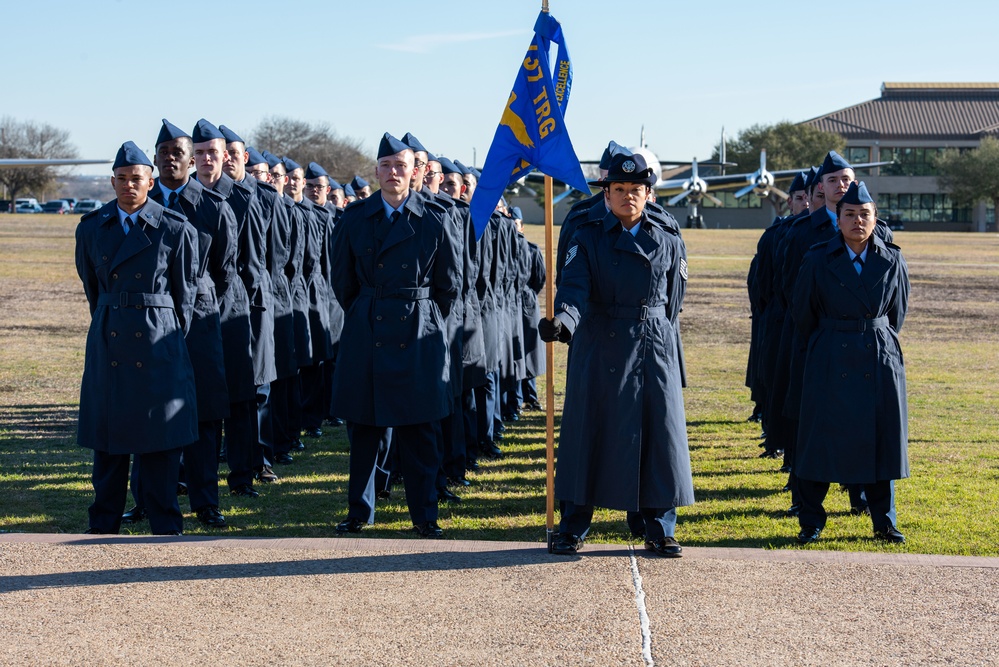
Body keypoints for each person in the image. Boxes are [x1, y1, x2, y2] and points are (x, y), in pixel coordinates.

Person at [540, 152, 694, 557]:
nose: (628, 196)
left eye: (636, 190)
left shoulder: (666, 237)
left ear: (649, 194)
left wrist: (656, 330)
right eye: (620, 189)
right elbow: (574, 290)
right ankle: (572, 527)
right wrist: (563, 323)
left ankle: (659, 527)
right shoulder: (587, 235)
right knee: (587, 434)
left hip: (651, 345)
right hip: (600, 341)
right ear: (606, 194)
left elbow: (673, 300)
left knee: (657, 438)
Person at [330, 133, 460, 538]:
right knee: (364, 429)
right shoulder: (354, 218)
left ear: (416, 171)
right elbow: (341, 282)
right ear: (376, 171)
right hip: (367, 326)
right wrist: (367, 310)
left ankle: (424, 515)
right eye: (385, 166)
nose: (392, 173)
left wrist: (421, 316)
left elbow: (449, 285)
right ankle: (359, 511)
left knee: (420, 431)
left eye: (400, 166)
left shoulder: (436, 219)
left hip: (418, 328)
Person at [75, 141, 198, 535]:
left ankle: (165, 524)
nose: (130, 186)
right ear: (112, 182)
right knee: (109, 443)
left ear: (151, 182)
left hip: (159, 341)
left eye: (138, 179)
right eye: (123, 179)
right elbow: (93, 289)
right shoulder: (92, 228)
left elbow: (186, 298)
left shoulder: (175, 228)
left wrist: (163, 333)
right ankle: (104, 523)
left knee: (160, 440)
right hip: (110, 338)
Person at [792, 181, 909, 544]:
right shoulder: (817, 257)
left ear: (875, 219)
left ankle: (883, 521)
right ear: (838, 219)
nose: (857, 221)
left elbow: (897, 312)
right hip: (830, 352)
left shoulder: (892, 258)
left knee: (880, 441)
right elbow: (803, 313)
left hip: (877, 354)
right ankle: (811, 520)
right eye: (850, 214)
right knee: (819, 439)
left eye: (864, 215)